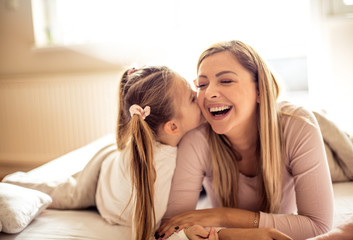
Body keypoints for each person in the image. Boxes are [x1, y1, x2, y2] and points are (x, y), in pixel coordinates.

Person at [156, 40, 334, 240]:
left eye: (226, 81)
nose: (209, 93)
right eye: (202, 84)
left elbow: (318, 226)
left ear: (259, 90)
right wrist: (243, 235)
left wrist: (221, 215)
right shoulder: (196, 139)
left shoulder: (298, 125)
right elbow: (172, 226)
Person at [95, 66, 203, 240]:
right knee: (72, 192)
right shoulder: (160, 169)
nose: (198, 95)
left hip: (108, 196)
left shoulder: (144, 142)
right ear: (173, 127)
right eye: (191, 98)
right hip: (101, 179)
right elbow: (157, 225)